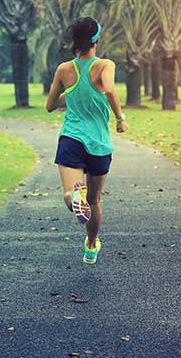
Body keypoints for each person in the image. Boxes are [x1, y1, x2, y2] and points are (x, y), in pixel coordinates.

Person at [45, 17, 127, 264]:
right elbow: (110, 90)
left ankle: (73, 199)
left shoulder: (63, 69)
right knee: (94, 200)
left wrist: (70, 92)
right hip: (99, 144)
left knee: (71, 192)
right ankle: (91, 245)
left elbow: (50, 105)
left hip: (71, 139)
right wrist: (120, 118)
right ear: (97, 40)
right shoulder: (105, 65)